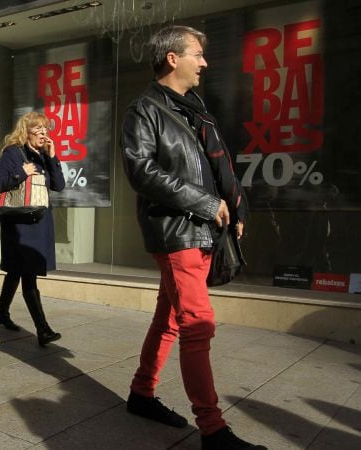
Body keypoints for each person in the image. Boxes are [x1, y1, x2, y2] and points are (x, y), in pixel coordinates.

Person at [121, 26, 261, 450]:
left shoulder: (194, 109)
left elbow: (217, 166)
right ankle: (213, 429)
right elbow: (141, 171)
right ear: (172, 58)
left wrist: (234, 207)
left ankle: (141, 393)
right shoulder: (144, 110)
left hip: (200, 226)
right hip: (176, 228)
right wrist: (204, 203)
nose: (204, 63)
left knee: (168, 318)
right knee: (197, 325)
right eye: (197, 54)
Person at [0, 111, 65, 346]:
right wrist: (22, 172)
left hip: (39, 222)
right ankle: (43, 330)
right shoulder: (13, 152)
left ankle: (2, 313)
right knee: (28, 276)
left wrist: (52, 158)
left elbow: (59, 186)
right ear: (26, 131)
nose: (44, 134)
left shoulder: (43, 155)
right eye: (38, 129)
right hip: (19, 225)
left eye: (46, 130)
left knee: (16, 271)